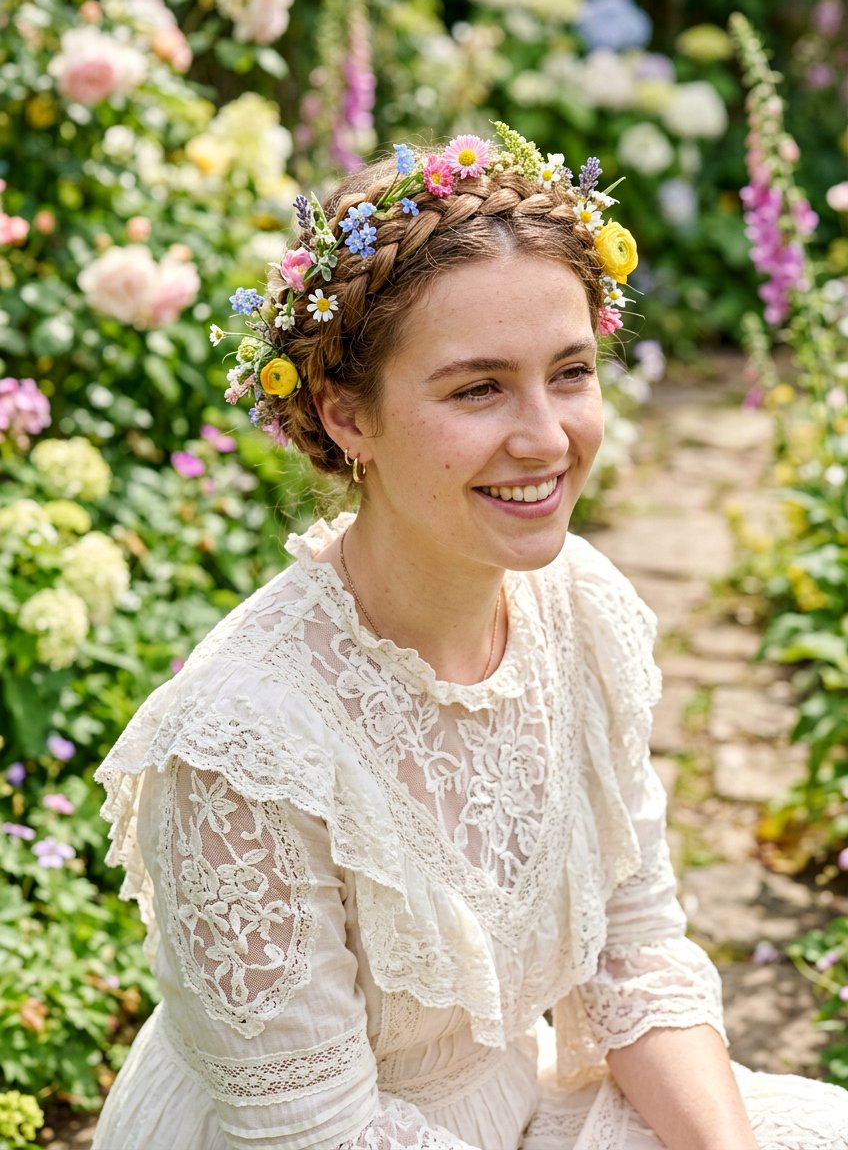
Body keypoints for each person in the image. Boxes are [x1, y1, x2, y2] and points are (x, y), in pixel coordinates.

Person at [92, 126, 848, 1150]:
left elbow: (636, 956)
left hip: (511, 1113)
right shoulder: (241, 748)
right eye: (477, 387)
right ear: (343, 413)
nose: (545, 437)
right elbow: (315, 1132)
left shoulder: (580, 610)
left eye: (569, 372)